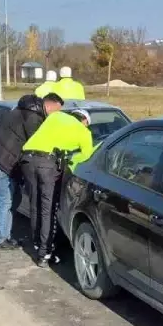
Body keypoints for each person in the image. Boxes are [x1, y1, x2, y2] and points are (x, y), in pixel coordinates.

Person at [20, 92, 94, 267]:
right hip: (47, 164)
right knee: (48, 209)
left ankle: (37, 243)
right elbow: (86, 160)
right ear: (84, 121)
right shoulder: (84, 132)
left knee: (35, 205)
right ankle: (44, 254)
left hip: (27, 160)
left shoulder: (56, 117)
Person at [0, 94, 46, 251]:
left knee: (14, 199)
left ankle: (6, 236)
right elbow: (37, 141)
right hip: (4, 161)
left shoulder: (18, 111)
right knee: (5, 200)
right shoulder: (32, 117)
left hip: (1, 158)